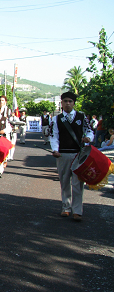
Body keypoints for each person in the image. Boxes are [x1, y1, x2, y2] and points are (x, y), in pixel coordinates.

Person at [50, 92, 94, 222]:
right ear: (61, 103)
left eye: (70, 101)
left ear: (74, 103)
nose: (68, 103)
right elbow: (54, 136)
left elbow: (90, 131)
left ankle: (77, 210)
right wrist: (55, 150)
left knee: (78, 183)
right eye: (65, 101)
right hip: (63, 154)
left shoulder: (82, 117)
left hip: (78, 155)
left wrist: (88, 138)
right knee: (64, 182)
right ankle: (66, 207)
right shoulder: (56, 119)